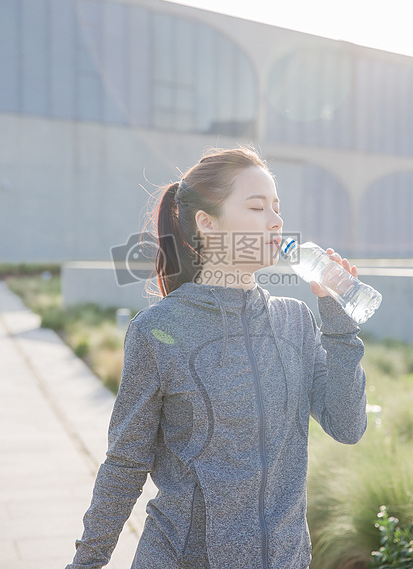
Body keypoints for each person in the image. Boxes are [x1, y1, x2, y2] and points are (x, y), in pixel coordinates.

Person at [66, 146, 367, 569]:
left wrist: (339, 321)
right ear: (207, 223)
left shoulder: (295, 320)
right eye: (257, 206)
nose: (276, 220)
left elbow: (348, 426)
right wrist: (87, 562)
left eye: (277, 208)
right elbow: (125, 463)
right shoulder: (157, 329)